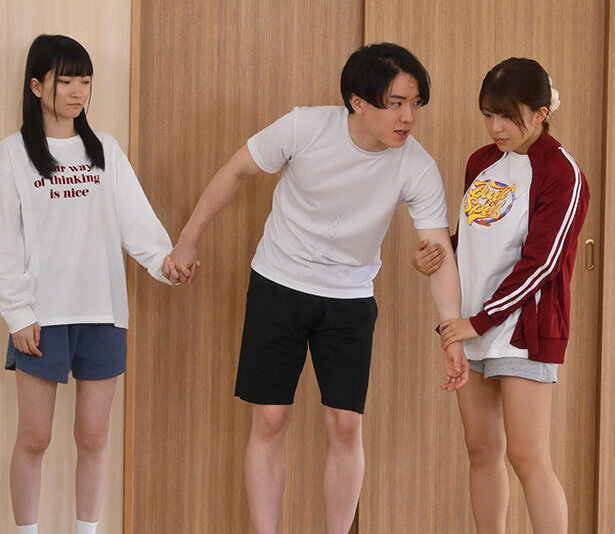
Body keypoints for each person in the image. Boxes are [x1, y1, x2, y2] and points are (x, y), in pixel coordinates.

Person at [164, 43, 468, 534]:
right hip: (279, 284)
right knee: (270, 418)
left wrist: (451, 331)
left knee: (346, 425)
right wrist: (187, 240)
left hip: (350, 299)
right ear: (358, 102)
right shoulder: (305, 127)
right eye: (395, 103)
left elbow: (438, 254)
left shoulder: (417, 165)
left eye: (415, 103)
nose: (408, 117)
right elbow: (236, 170)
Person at [0, 35, 189, 534]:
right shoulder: (13, 153)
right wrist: (17, 313)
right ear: (37, 86)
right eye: (65, 81)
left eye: (84, 81)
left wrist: (165, 263)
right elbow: (4, 242)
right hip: (42, 317)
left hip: (103, 312)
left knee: (93, 437)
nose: (77, 91)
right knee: (34, 438)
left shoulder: (104, 148)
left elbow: (136, 223)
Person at [413, 58, 589, 534]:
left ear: (540, 113)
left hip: (522, 331)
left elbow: (543, 262)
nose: (496, 127)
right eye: (488, 114)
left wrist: (480, 320)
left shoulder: (562, 172)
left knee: (528, 456)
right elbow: (474, 239)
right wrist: (438, 256)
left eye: (508, 116)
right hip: (473, 324)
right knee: (481, 450)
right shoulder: (481, 162)